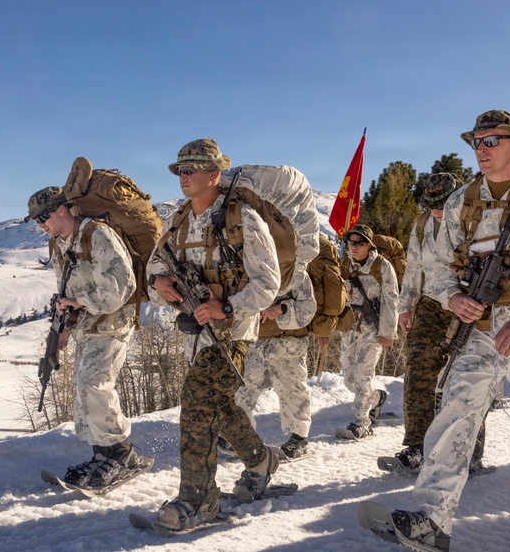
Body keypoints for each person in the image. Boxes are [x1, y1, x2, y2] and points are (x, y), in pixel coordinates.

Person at [383, 110, 510, 552]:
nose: (482, 148)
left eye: (493, 140)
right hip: (479, 324)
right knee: (456, 409)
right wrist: (451, 298)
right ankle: (430, 517)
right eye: (476, 141)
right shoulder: (462, 200)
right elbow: (436, 266)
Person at [146, 138, 283, 531]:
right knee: (218, 406)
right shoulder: (178, 220)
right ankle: (260, 460)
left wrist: (226, 307)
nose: (184, 176)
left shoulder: (243, 219)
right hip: (197, 336)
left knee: (196, 403)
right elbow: (156, 262)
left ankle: (199, 501)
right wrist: (160, 280)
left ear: (215, 175)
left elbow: (267, 284)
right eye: (181, 170)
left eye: (192, 170)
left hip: (233, 334)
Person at [25, 186, 151, 490]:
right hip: (87, 327)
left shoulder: (97, 235)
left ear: (61, 209)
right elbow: (65, 290)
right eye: (34, 220)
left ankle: (121, 456)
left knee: (94, 383)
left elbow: (122, 287)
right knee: (83, 389)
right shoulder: (58, 244)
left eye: (43, 216)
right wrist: (64, 326)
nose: (40, 224)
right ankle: (102, 456)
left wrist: (80, 304)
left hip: (113, 323)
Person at [380, 172, 489, 475]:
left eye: (440, 204)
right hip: (431, 303)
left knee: (468, 375)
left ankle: (470, 450)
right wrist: (405, 307)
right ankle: (417, 446)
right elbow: (414, 266)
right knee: (418, 370)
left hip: (470, 303)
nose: (436, 210)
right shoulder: (422, 224)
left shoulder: (475, 218)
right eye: (430, 204)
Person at [234, 260, 317, 460]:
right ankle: (240, 437)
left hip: (288, 343)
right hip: (255, 341)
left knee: (292, 388)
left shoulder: (297, 273)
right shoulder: (251, 266)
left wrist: (282, 309)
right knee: (243, 387)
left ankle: (299, 439)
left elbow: (308, 308)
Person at [338, 223, 399, 440]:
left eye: (359, 243)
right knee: (348, 377)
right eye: (351, 242)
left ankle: (361, 423)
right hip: (350, 327)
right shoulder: (344, 265)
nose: (354, 247)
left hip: (373, 329)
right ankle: (377, 398)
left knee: (363, 374)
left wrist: (388, 332)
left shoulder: (382, 267)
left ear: (369, 245)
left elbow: (392, 301)